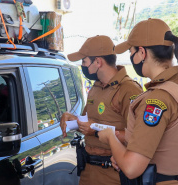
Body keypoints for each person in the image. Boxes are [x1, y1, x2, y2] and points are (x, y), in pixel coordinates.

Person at [98, 18, 178, 185]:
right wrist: (122, 155)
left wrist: (110, 137)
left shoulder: (156, 99)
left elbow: (131, 168)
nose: (130, 57)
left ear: (142, 53)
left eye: (131, 52)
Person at [60, 35, 143, 185]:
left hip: (113, 173)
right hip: (89, 169)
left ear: (98, 62)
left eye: (84, 61)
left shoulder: (129, 89)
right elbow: (88, 124)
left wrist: (96, 130)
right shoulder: (96, 86)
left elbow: (139, 137)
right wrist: (73, 120)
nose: (82, 66)